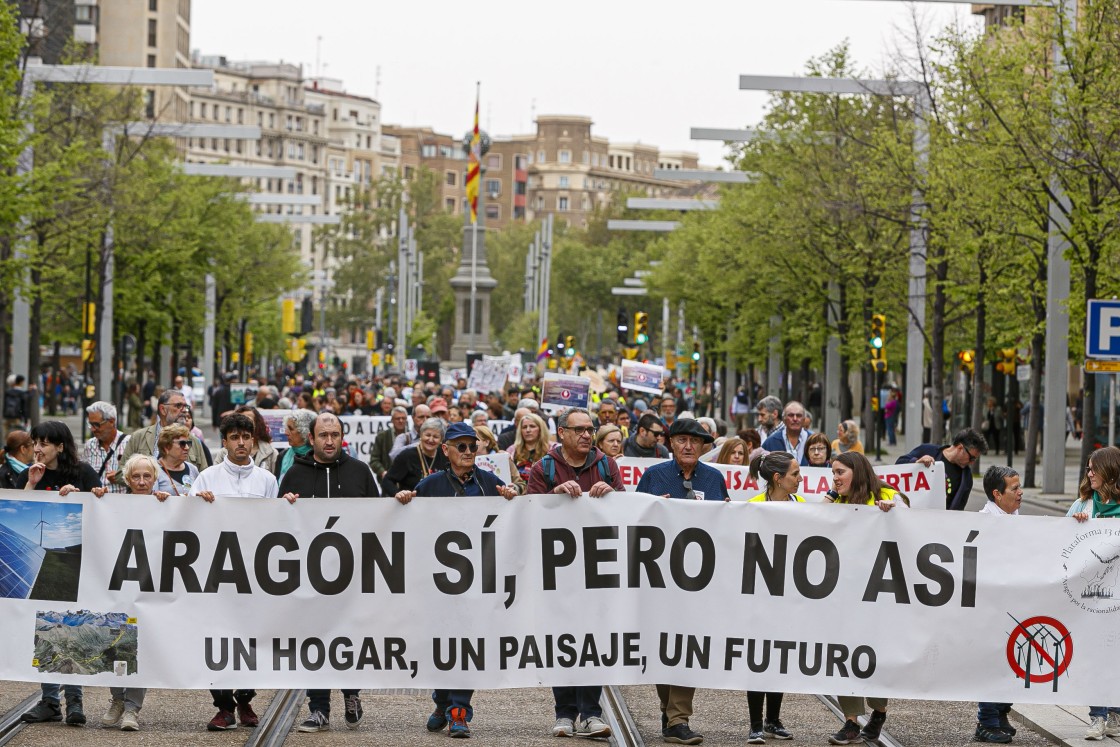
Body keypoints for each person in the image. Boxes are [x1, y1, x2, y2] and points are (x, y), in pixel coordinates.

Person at [393, 422, 518, 739]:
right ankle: (442, 701)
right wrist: (406, 499)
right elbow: (408, 522)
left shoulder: (489, 482)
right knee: (442, 646)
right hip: (439, 587)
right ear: (445, 450)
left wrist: (512, 496)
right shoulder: (431, 484)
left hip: (477, 585)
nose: (466, 452)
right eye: (460, 447)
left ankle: (460, 711)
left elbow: (517, 508)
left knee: (469, 645)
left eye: (471, 446)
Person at [524, 408, 621, 741]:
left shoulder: (607, 466)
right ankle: (564, 712)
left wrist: (611, 495)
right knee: (562, 640)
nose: (586, 435)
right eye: (579, 430)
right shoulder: (544, 468)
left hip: (596, 569)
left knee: (593, 639)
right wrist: (553, 497)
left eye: (590, 430)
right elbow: (528, 512)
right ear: (561, 432)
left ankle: (591, 713)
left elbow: (624, 511)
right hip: (558, 571)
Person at [277, 412, 376, 732]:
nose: (329, 441)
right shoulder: (295, 474)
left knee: (349, 639)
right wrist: (287, 505)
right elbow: (277, 526)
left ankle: (351, 693)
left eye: (335, 435)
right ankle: (318, 707)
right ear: (312, 439)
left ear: (342, 437)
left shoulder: (360, 472)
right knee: (313, 641)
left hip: (352, 577)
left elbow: (379, 518)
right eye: (323, 435)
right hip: (309, 577)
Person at [634, 418, 727, 745]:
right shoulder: (653, 476)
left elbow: (726, 525)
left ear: (704, 446)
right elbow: (635, 522)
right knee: (662, 648)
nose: (688, 446)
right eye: (681, 440)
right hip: (659, 580)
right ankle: (668, 707)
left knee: (688, 648)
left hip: (698, 584)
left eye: (695, 441)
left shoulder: (715, 479)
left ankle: (678, 718)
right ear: (670, 443)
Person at [18, 421, 101, 727]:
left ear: (61, 447)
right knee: (47, 630)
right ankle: (51, 700)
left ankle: (74, 701)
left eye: (45, 443)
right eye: (35, 442)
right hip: (45, 564)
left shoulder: (81, 472)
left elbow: (102, 503)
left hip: (82, 563)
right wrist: (30, 483)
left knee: (71, 628)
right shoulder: (31, 473)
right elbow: (18, 507)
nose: (38, 448)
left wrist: (82, 495)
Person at [825, 451, 906, 744]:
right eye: (832, 473)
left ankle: (879, 711)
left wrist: (894, 510)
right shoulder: (838, 500)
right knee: (843, 657)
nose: (835, 478)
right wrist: (828, 499)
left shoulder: (885, 494)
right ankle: (850, 722)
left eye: (839, 472)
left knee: (874, 660)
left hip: (877, 598)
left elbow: (910, 522)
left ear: (857, 472)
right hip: (844, 596)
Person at [92, 454, 167, 730]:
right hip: (119, 587)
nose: (142, 481)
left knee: (142, 648)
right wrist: (94, 499)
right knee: (115, 644)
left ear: (155, 477)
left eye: (147, 476)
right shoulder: (113, 505)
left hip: (150, 589)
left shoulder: (166, 504)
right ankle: (117, 699)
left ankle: (132, 709)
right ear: (127, 479)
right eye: (136, 476)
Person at [744, 451, 802, 743]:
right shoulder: (751, 507)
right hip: (758, 595)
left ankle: (773, 720)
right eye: (795, 474)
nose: (801, 479)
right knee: (757, 658)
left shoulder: (803, 506)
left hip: (787, 596)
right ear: (778, 478)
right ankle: (756, 723)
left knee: (779, 657)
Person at [1066, 446, 1120, 741]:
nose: (1088, 474)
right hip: (1092, 598)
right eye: (1087, 468)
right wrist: (1072, 528)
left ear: (1109, 471)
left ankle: (1115, 714)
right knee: (1096, 655)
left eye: (1093, 468)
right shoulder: (1082, 506)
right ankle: (1097, 717)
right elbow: (1060, 544)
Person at [972, 465, 1022, 744]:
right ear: (996, 494)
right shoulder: (983, 523)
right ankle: (986, 721)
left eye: (1019, 487)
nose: (1020, 492)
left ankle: (1002, 712)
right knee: (992, 661)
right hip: (990, 607)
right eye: (1014, 488)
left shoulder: (1015, 515)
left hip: (1013, 603)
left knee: (1012, 662)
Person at [116, 390, 207, 487]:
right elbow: (120, 474)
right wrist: (145, 483)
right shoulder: (138, 437)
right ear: (163, 409)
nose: (184, 410)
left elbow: (205, 478)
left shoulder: (193, 440)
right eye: (178, 406)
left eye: (186, 406)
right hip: (146, 500)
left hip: (181, 500)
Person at [896, 427, 988, 511]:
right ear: (960, 448)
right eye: (971, 458)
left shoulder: (966, 478)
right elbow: (898, 464)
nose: (972, 463)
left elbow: (959, 512)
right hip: (913, 516)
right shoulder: (928, 450)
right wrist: (916, 462)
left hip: (939, 524)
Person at [382, 418, 450, 495]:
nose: (431, 440)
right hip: (411, 504)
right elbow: (387, 481)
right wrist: (398, 494)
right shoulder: (406, 456)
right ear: (421, 435)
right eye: (427, 435)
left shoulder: (445, 456)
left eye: (435, 437)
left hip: (439, 504)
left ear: (441, 440)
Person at [82, 401, 131, 495]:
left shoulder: (129, 443)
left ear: (111, 421)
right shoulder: (89, 445)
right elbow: (82, 476)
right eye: (90, 424)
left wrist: (122, 477)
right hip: (96, 505)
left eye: (96, 425)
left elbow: (143, 479)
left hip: (122, 504)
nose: (92, 429)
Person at [214, 405, 277, 473]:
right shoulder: (223, 453)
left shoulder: (270, 452)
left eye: (248, 420)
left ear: (257, 423)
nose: (243, 424)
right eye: (239, 420)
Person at [475, 424, 525, 495]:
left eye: (474, 439)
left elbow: (521, 484)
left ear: (486, 442)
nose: (470, 443)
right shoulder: (466, 462)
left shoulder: (503, 459)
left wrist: (513, 488)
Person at [761, 401, 812, 465]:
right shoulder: (771, 441)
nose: (795, 419)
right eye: (791, 415)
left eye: (799, 415)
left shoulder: (814, 440)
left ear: (804, 419)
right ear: (784, 419)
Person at [153, 424, 199, 496]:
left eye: (188, 443)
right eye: (182, 444)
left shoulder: (193, 469)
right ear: (167, 447)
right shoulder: (154, 470)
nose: (187, 447)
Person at [507, 412, 550, 483]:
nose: (528, 430)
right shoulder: (511, 450)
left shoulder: (552, 449)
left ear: (540, 429)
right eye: (524, 427)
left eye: (532, 426)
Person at [277, 409, 317, 482]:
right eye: (286, 428)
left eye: (291, 429)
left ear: (305, 432)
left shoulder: (317, 457)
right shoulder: (283, 455)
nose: (286, 433)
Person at [369, 406, 407, 482]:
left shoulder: (411, 436)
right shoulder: (382, 436)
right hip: (388, 481)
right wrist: (383, 472)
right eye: (398, 418)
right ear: (392, 420)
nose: (401, 421)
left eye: (403, 418)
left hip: (407, 481)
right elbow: (374, 460)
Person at [3, 373, 31, 439]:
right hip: (17, 417)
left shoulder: (8, 392)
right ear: (21, 382)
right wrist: (26, 420)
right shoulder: (22, 393)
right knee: (16, 436)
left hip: (7, 416)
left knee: (7, 435)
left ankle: (5, 447)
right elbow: (24, 408)